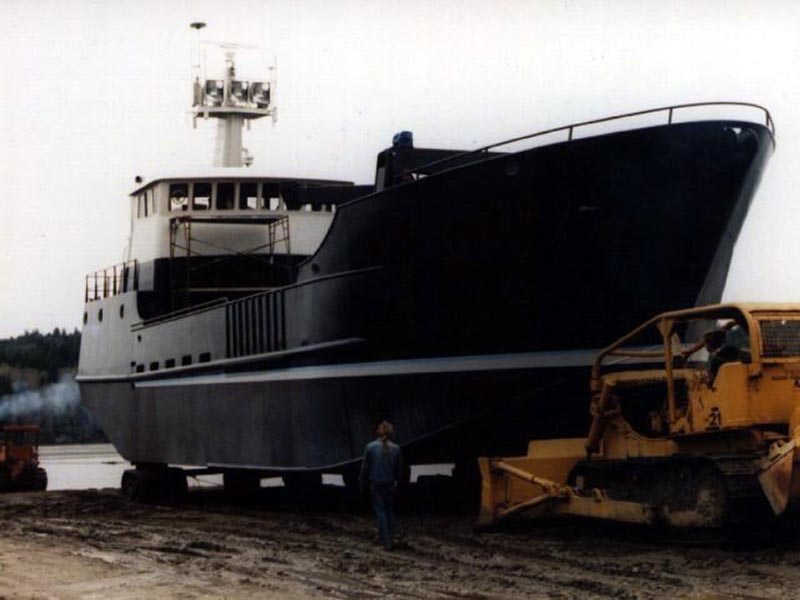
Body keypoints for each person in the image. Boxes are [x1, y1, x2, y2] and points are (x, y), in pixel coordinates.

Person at [360, 420, 402, 549]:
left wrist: (362, 482)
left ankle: (385, 542)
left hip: (375, 483)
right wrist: (397, 481)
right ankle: (391, 538)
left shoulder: (370, 447)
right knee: (389, 512)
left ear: (379, 432)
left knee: (380, 512)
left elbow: (365, 468)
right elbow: (398, 469)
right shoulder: (396, 448)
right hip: (390, 483)